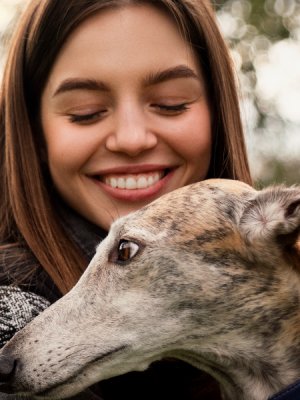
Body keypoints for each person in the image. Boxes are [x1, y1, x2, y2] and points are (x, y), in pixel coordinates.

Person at [0, 0, 252, 399]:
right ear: (35, 132)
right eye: (86, 112)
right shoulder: (10, 306)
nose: (132, 139)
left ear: (218, 112)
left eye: (171, 104)